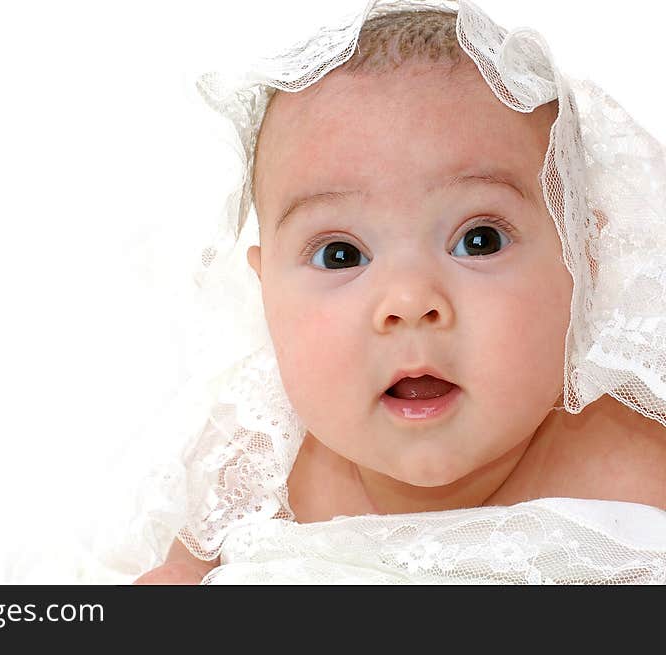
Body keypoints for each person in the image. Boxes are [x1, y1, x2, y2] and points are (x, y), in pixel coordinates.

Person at [129, 0, 666, 585]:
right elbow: (176, 575)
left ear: (581, 263)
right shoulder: (260, 458)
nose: (410, 301)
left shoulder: (636, 476)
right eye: (342, 255)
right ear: (266, 294)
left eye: (479, 240)